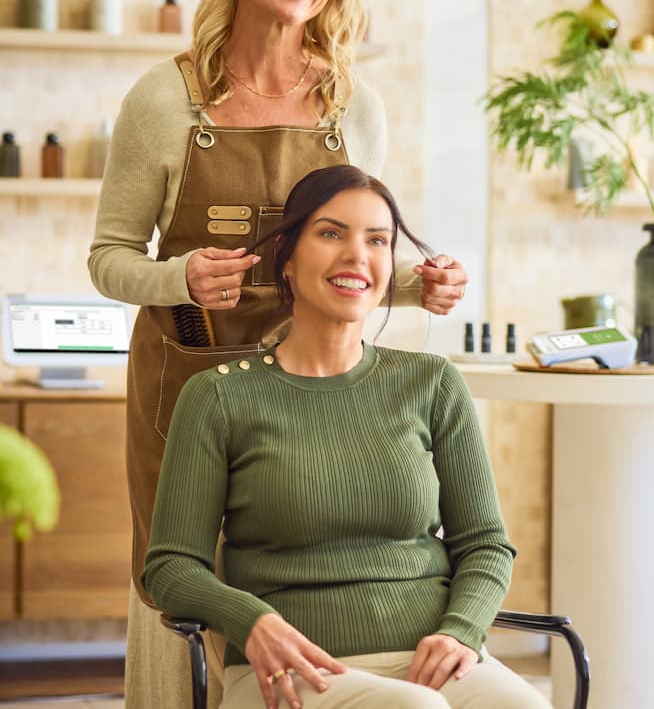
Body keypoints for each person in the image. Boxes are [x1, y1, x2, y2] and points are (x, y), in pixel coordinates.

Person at [87, 0, 469, 705]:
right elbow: (108, 258)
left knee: (290, 577)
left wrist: (416, 283)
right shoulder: (164, 100)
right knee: (184, 584)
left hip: (311, 392)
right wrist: (179, 277)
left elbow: (350, 261)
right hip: (186, 383)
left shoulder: (350, 108)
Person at [143, 165, 548, 709]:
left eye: (377, 240)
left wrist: (461, 630)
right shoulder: (217, 399)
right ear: (286, 256)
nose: (357, 255)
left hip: (433, 659)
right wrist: (252, 622)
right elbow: (170, 566)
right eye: (331, 233)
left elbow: (485, 545)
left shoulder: (431, 383)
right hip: (292, 669)